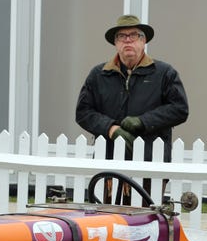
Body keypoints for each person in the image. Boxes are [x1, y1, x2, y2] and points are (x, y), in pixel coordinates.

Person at [76, 14, 189, 201]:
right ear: (115, 43)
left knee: (147, 221)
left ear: (143, 41)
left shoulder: (164, 73)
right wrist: (110, 128)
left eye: (134, 35)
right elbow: (83, 112)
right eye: (121, 36)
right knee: (109, 222)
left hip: (150, 164)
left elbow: (179, 109)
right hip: (109, 164)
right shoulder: (99, 74)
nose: (127, 40)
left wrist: (142, 122)